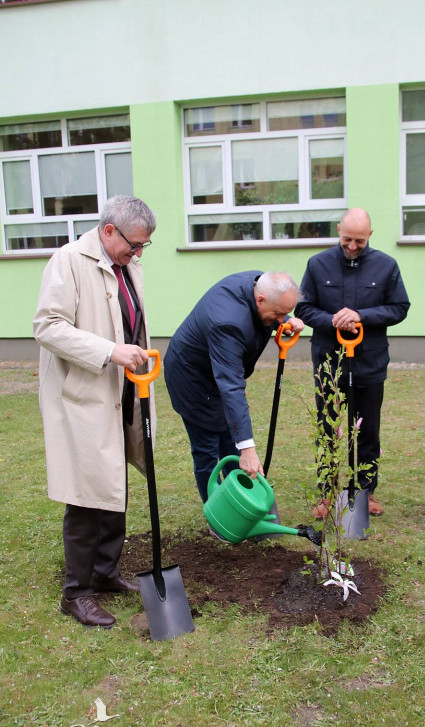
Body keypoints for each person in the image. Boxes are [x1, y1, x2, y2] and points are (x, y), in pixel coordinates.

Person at [33, 195, 157, 627]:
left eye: (144, 246)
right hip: (84, 393)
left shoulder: (127, 264)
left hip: (121, 389)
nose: (139, 253)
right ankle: (77, 592)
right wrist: (108, 351)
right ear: (108, 231)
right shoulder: (68, 261)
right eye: (134, 244)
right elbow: (47, 326)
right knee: (86, 493)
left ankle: (105, 573)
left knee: (114, 480)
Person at [295, 208, 410, 518]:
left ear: (370, 235)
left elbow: (400, 308)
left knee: (367, 429)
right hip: (329, 362)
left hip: (369, 362)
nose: (352, 246)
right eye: (347, 239)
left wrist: (362, 316)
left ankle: (364, 492)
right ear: (338, 231)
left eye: (359, 240)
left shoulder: (386, 266)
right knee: (327, 426)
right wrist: (333, 320)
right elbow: (303, 308)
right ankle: (327, 492)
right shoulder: (318, 265)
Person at [164, 271, 304, 503]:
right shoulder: (228, 322)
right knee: (207, 450)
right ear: (260, 300)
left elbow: (229, 385)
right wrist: (248, 449)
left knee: (231, 441)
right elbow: (231, 387)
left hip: (218, 369)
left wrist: (286, 320)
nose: (281, 319)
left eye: (285, 312)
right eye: (279, 314)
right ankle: (219, 515)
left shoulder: (258, 283)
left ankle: (241, 503)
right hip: (192, 380)